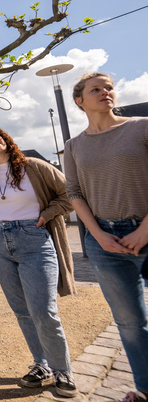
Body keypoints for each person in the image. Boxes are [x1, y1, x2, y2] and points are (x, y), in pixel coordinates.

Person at [0, 126, 77, 397]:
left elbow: (70, 193)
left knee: (43, 309)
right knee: (21, 308)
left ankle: (62, 370)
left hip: (34, 238)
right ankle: (41, 364)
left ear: (6, 139)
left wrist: (48, 214)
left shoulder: (34, 166)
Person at [65, 72, 148, 402]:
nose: (105, 93)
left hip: (146, 228)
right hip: (105, 241)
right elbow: (73, 192)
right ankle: (144, 388)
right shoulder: (73, 146)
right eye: (95, 89)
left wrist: (145, 228)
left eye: (109, 87)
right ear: (80, 101)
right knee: (130, 322)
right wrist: (97, 234)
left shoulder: (141, 127)